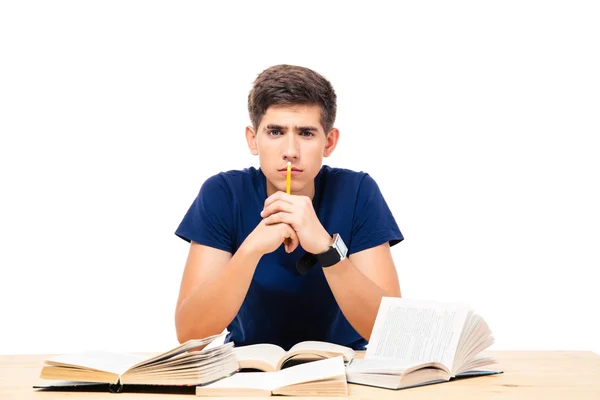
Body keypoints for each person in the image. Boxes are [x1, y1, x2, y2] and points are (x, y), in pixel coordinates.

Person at [174, 64, 403, 350]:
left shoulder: (357, 191)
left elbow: (391, 331)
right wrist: (251, 249)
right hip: (250, 370)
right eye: (275, 132)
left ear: (329, 142)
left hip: (345, 370)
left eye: (306, 133)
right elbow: (190, 336)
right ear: (252, 139)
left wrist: (325, 247)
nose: (291, 151)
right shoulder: (222, 193)